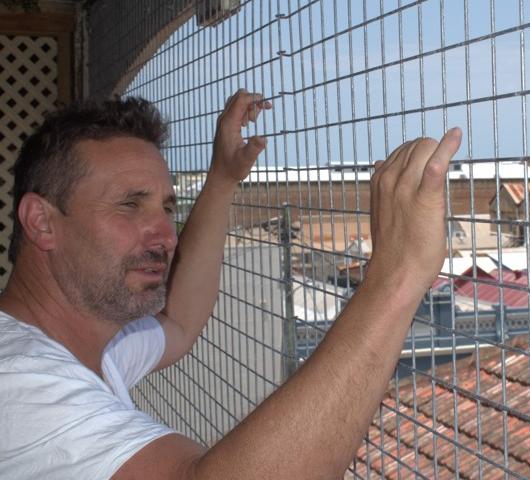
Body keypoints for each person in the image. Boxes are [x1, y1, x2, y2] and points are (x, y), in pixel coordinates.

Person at [0, 89, 461, 479]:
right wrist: (396, 278)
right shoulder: (17, 379)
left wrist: (222, 179)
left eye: (165, 207)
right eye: (129, 205)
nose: (165, 234)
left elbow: (179, 321)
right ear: (41, 222)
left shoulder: (93, 348)